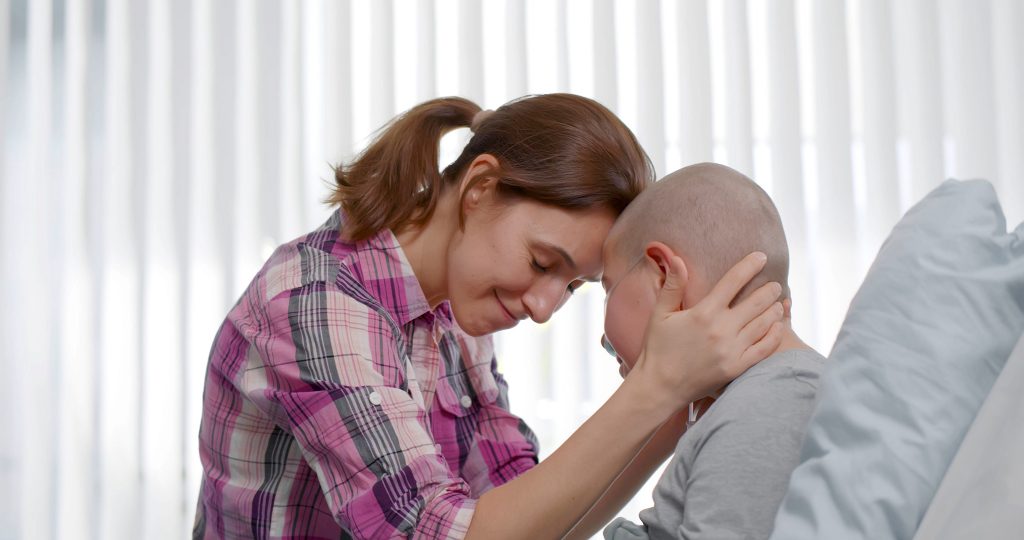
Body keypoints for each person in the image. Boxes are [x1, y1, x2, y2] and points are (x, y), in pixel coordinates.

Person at [192, 95, 786, 539]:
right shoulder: (316, 303)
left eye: (572, 286)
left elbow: (530, 516)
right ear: (479, 187)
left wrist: (675, 407)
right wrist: (658, 385)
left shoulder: (454, 312)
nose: (544, 308)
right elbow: (437, 533)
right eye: (542, 262)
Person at [589, 163, 825, 540]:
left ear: (664, 277)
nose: (604, 339)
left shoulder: (768, 408)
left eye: (608, 288)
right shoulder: (760, 398)